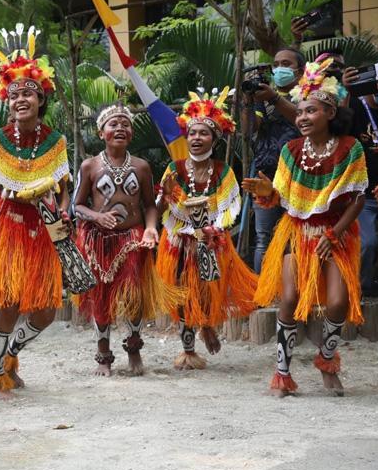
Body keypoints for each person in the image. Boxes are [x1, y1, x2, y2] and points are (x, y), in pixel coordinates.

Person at [243, 58, 366, 397]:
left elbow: (357, 198)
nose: (302, 118)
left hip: (334, 234)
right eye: (299, 112)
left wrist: (335, 234)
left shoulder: (350, 148)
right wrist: (269, 192)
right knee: (290, 298)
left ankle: (326, 360)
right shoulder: (291, 150)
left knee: (338, 303)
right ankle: (282, 373)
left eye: (310, 111)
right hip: (296, 232)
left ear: (329, 112)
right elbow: (282, 195)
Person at [0, 24, 71, 394]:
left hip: (45, 229)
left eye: (28, 93)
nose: (20, 100)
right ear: (7, 102)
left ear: (41, 100)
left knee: (46, 309)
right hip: (9, 226)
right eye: (14, 96)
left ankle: (10, 352)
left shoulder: (55, 141)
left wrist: (62, 210)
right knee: (10, 302)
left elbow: (63, 189)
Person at [73, 103, 184, 376]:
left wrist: (150, 228)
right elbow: (76, 206)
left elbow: (149, 205)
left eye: (125, 124)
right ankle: (103, 355)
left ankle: (134, 349)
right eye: (113, 124)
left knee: (134, 294)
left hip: (133, 238)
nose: (120, 128)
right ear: (101, 133)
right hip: (99, 240)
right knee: (101, 296)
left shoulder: (142, 167)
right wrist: (97, 218)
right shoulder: (90, 166)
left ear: (132, 134)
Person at [157, 87, 259, 370]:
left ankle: (206, 323)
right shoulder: (174, 167)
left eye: (204, 133)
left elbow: (230, 205)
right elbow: (164, 205)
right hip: (178, 240)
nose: (197, 138)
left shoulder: (223, 170)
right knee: (181, 292)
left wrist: (212, 230)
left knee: (207, 289)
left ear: (214, 137)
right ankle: (188, 350)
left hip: (211, 239)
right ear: (186, 137)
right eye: (192, 133)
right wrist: (165, 196)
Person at [242, 48, 304, 272]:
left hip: (300, 175)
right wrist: (248, 101)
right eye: (276, 64)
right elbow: (248, 130)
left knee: (297, 235)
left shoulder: (308, 93)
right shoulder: (262, 97)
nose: (279, 68)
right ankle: (265, 294)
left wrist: (275, 98)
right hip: (265, 174)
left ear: (300, 71)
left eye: (286, 63)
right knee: (263, 238)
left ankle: (295, 288)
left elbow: (301, 119)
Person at [341, 61, 378, 296]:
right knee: (367, 243)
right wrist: (347, 90)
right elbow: (336, 126)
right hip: (364, 196)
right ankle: (360, 288)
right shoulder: (356, 110)